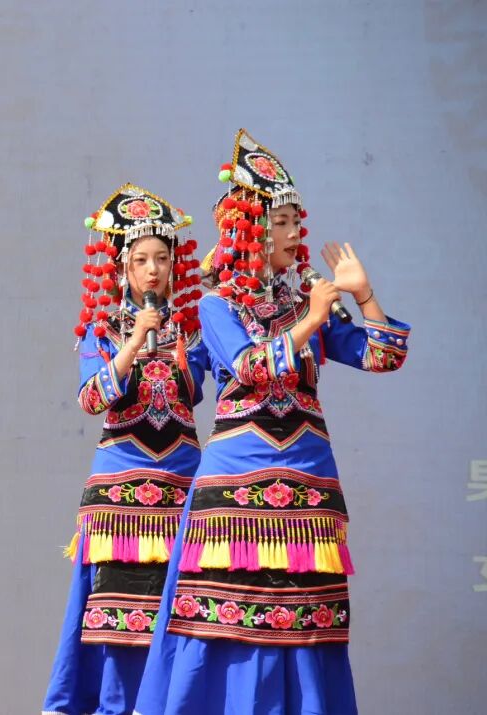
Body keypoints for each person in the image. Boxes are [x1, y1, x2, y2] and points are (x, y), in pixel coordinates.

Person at [134, 129, 411, 715]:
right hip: (236, 482)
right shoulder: (216, 306)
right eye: (280, 222)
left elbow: (382, 357)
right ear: (249, 232)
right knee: (222, 619)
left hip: (309, 483)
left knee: (308, 622)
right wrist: (311, 321)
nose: (292, 233)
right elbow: (250, 367)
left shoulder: (307, 300)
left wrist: (364, 297)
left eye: (293, 221)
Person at [43, 183, 206, 715]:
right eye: (141, 260)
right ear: (121, 269)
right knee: (119, 622)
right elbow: (91, 398)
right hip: (122, 496)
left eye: (162, 258)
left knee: (183, 618)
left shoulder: (193, 330)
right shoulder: (101, 330)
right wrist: (134, 341)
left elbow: (202, 392)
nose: (153, 270)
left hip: (183, 489)